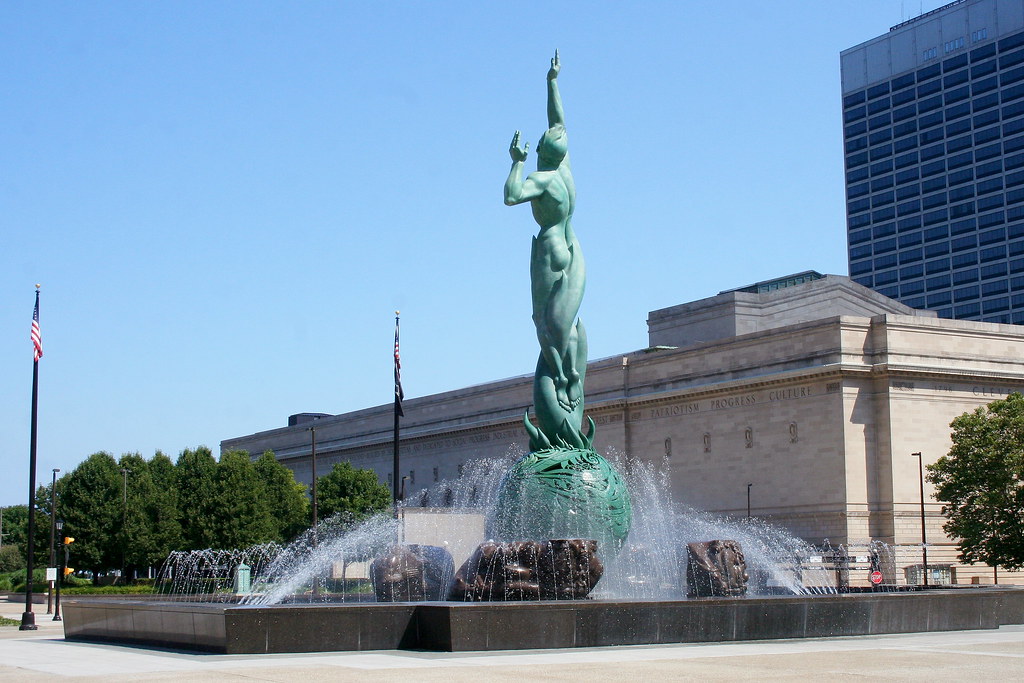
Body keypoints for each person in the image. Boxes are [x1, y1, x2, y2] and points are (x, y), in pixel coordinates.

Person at [504, 51, 586, 426]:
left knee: (544, 323)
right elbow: (559, 121)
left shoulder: (541, 178)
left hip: (549, 251)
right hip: (570, 248)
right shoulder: (565, 171)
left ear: (540, 152)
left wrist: (516, 161)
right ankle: (570, 374)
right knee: (565, 324)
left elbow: (511, 196)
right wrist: (552, 81)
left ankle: (567, 377)